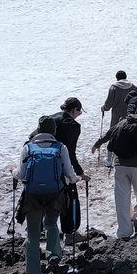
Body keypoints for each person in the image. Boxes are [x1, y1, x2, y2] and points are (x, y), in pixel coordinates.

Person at [14, 115, 78, 274]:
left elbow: (20, 175)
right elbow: (70, 175)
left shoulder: (28, 148)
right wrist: (71, 180)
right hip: (55, 194)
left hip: (32, 195)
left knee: (33, 235)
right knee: (51, 223)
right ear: (53, 130)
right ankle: (53, 253)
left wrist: (13, 171)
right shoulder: (60, 147)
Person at [91, 99, 137, 239]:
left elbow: (108, 134)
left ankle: (124, 232)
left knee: (122, 199)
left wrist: (97, 144)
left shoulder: (123, 122)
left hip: (119, 165)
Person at [52, 97, 89, 236]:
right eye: (79, 112)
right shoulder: (73, 126)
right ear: (74, 110)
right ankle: (69, 232)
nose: (78, 115)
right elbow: (70, 153)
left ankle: (39, 231)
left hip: (43, 164)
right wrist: (80, 173)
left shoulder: (52, 118)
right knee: (70, 197)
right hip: (61, 167)